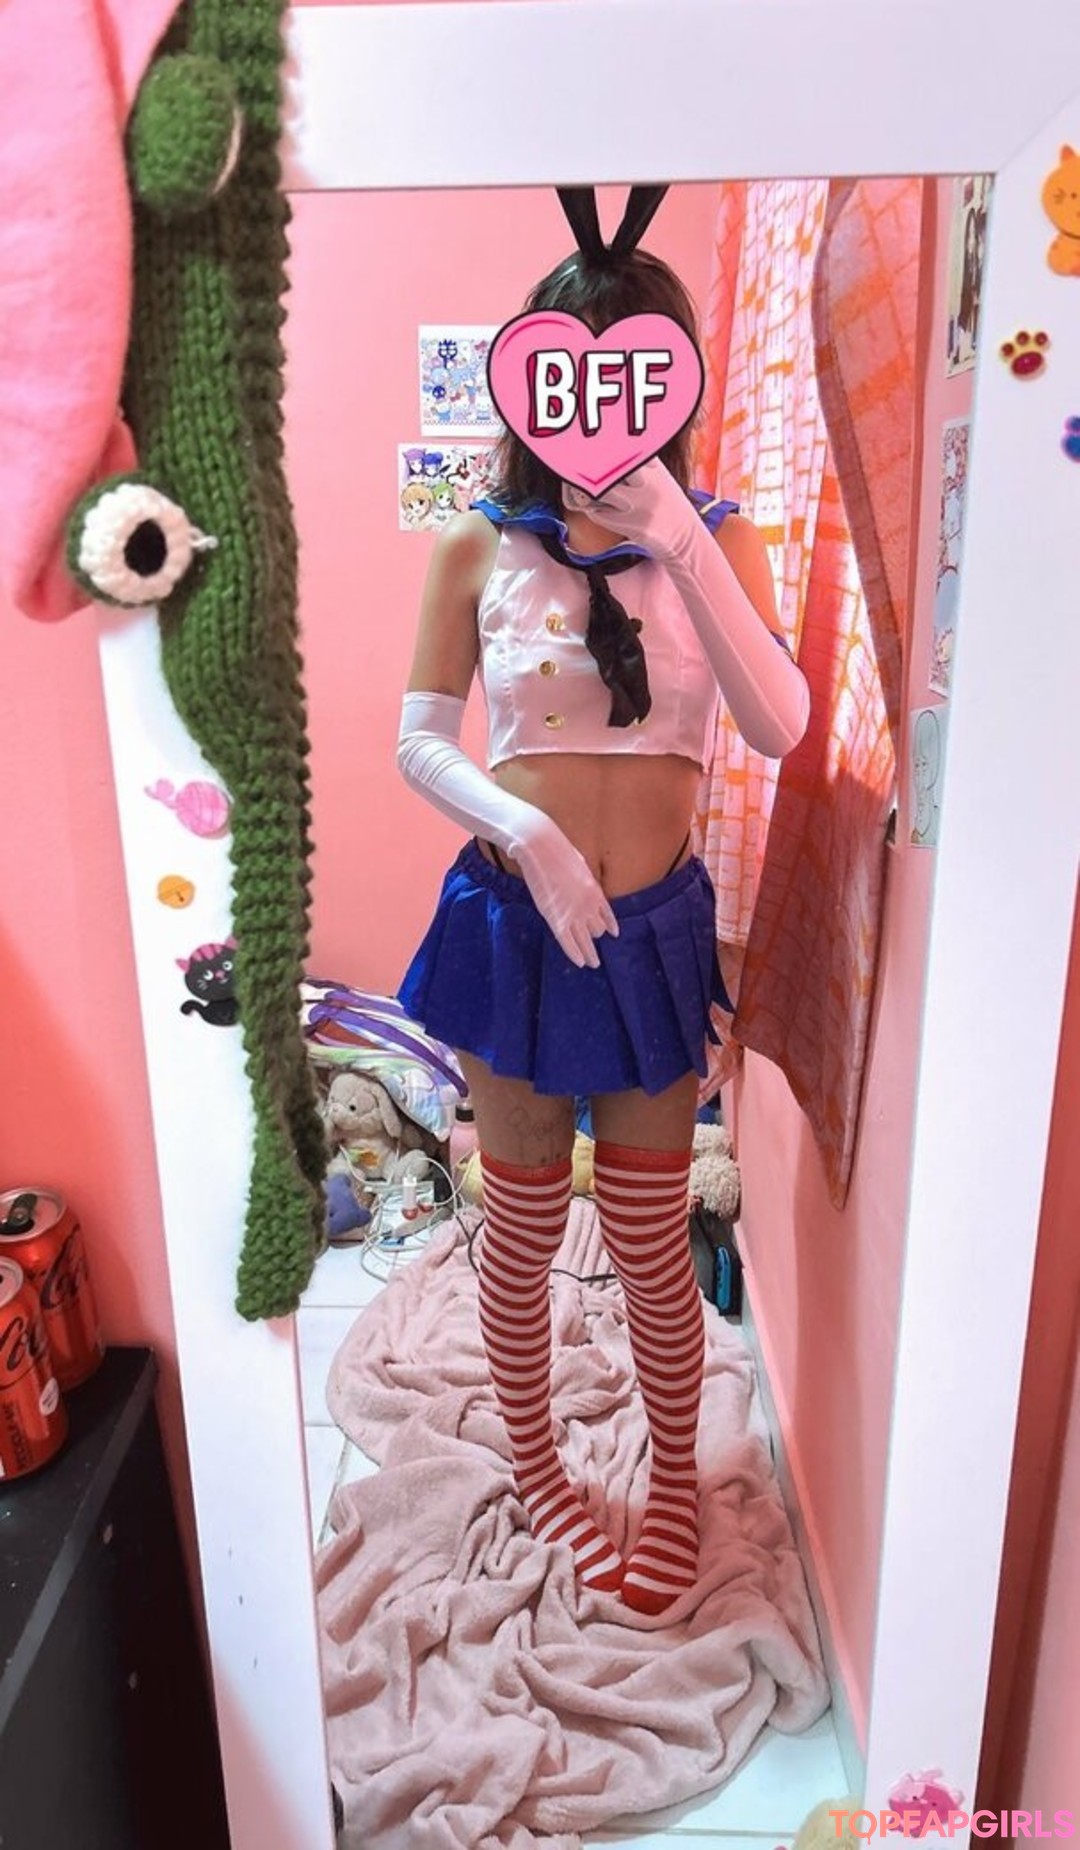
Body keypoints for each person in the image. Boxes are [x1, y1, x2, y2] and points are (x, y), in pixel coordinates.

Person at [396, 186, 810, 1615]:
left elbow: (782, 724)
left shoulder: (720, 540)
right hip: (515, 928)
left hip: (655, 937)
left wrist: (677, 536)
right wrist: (528, 835)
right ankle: (540, 1468)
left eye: (631, 373)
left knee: (646, 1241)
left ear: (669, 381)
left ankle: (673, 1482)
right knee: (518, 1235)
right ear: (532, 386)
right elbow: (419, 739)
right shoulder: (476, 543)